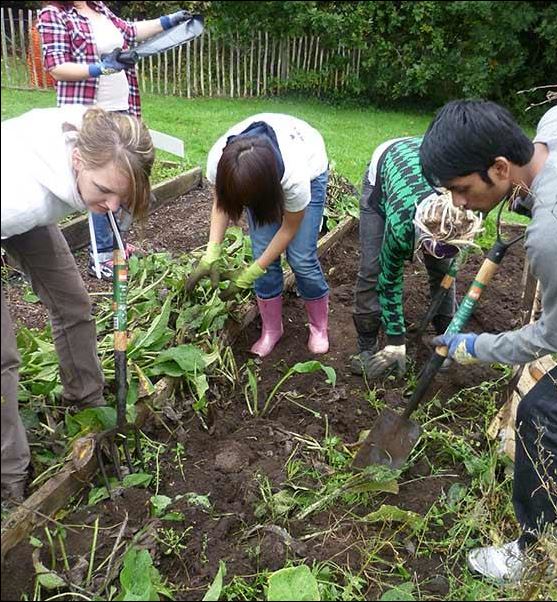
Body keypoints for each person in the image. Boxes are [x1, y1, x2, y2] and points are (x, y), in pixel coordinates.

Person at [420, 99, 557, 582]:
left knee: (545, 410)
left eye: (462, 189)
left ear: (500, 167)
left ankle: (540, 554)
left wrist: (472, 346)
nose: (457, 203)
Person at [1, 105, 155, 503]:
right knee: (3, 357)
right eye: (103, 191)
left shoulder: (102, 137)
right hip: (10, 199)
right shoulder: (21, 198)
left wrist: (109, 191)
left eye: (122, 196)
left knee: (73, 305)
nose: (112, 206)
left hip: (22, 196)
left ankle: (85, 404)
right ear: (76, 160)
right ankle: (9, 476)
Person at [37, 1, 190, 280]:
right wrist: (100, 68)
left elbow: (130, 30)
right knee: (102, 180)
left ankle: (118, 243)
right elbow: (56, 66)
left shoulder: (99, 9)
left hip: (121, 110)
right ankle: (103, 255)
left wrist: (169, 21)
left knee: (126, 180)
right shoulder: (54, 14)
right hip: (88, 112)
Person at [186, 113, 330, 356]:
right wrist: (212, 251)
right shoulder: (219, 161)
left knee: (301, 259)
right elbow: (222, 202)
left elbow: (289, 227)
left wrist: (251, 272)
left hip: (309, 163)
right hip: (261, 177)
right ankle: (272, 330)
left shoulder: (295, 177)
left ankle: (319, 328)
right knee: (262, 251)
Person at [351, 136, 469, 380]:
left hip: (426, 158)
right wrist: (396, 340)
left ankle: (445, 338)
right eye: (429, 247)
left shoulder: (463, 209)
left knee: (442, 270)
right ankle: (366, 345)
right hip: (384, 175)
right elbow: (389, 278)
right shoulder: (401, 224)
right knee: (372, 268)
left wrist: (444, 254)